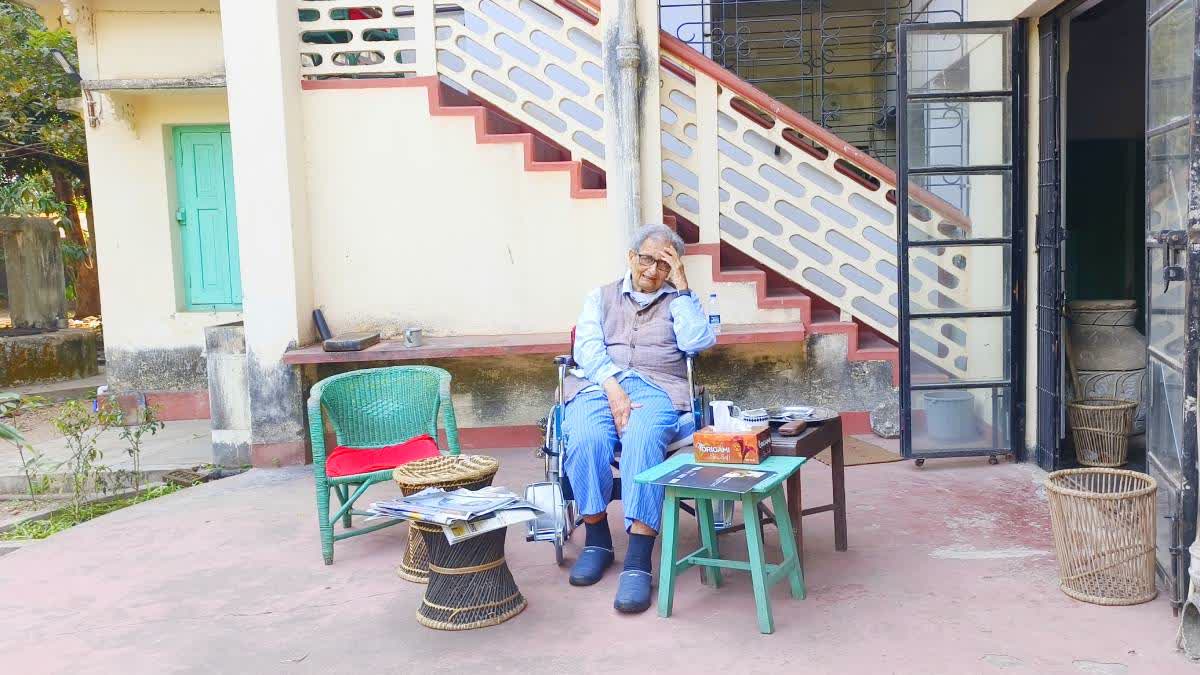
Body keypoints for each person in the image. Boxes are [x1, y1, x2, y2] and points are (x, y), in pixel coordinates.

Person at [560, 223, 717, 613]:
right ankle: (597, 540)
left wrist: (683, 286)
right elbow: (587, 349)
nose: (652, 270)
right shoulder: (600, 296)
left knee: (643, 439)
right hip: (599, 386)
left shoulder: (679, 300)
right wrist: (613, 389)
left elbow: (698, 342)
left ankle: (638, 560)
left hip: (659, 390)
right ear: (631, 257)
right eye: (647, 259)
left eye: (664, 264)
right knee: (585, 437)